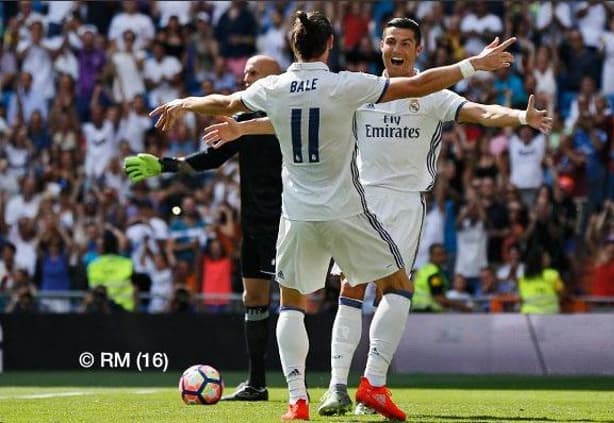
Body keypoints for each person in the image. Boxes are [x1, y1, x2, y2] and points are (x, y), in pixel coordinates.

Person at [148, 11, 515, 421]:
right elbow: (418, 85)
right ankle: (372, 385)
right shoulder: (345, 85)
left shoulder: (275, 86)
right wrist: (472, 65)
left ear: (293, 47)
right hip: (345, 209)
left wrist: (185, 103)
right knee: (397, 285)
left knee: (290, 304)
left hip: (298, 214)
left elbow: (226, 103)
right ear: (329, 46)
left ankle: (297, 401)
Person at [123, 55, 282, 401]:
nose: (246, 78)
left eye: (253, 73)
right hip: (255, 226)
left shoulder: (291, 116)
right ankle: (257, 384)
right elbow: (210, 159)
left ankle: (325, 383)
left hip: (292, 223)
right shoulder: (243, 122)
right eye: (244, 73)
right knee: (253, 299)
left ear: (275, 77)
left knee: (299, 300)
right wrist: (164, 165)